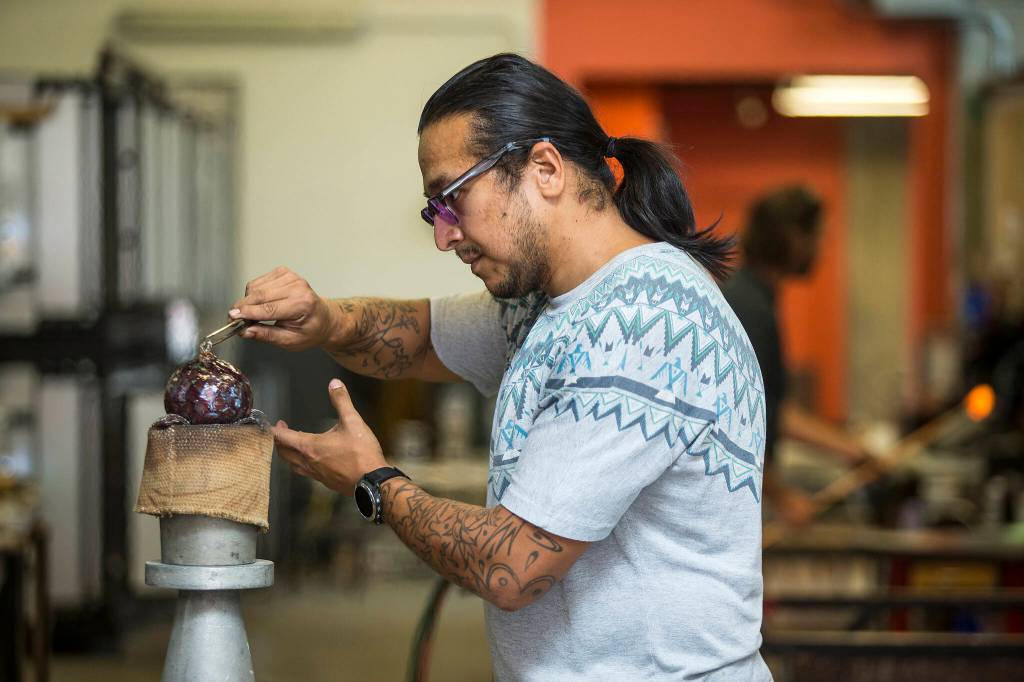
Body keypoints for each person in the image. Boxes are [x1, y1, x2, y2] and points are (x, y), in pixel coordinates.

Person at [231, 54, 771, 681]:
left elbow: (510, 567)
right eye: (435, 211)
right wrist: (325, 320)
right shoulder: (551, 302)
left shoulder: (644, 320)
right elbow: (425, 338)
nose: (444, 234)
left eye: (452, 198)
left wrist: (373, 482)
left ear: (544, 168)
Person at [720, 186, 875, 526]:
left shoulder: (753, 298)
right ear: (793, 239)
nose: (821, 247)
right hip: (731, 502)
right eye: (818, 236)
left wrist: (853, 450)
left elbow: (777, 411)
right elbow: (735, 420)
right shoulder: (751, 310)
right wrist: (781, 496)